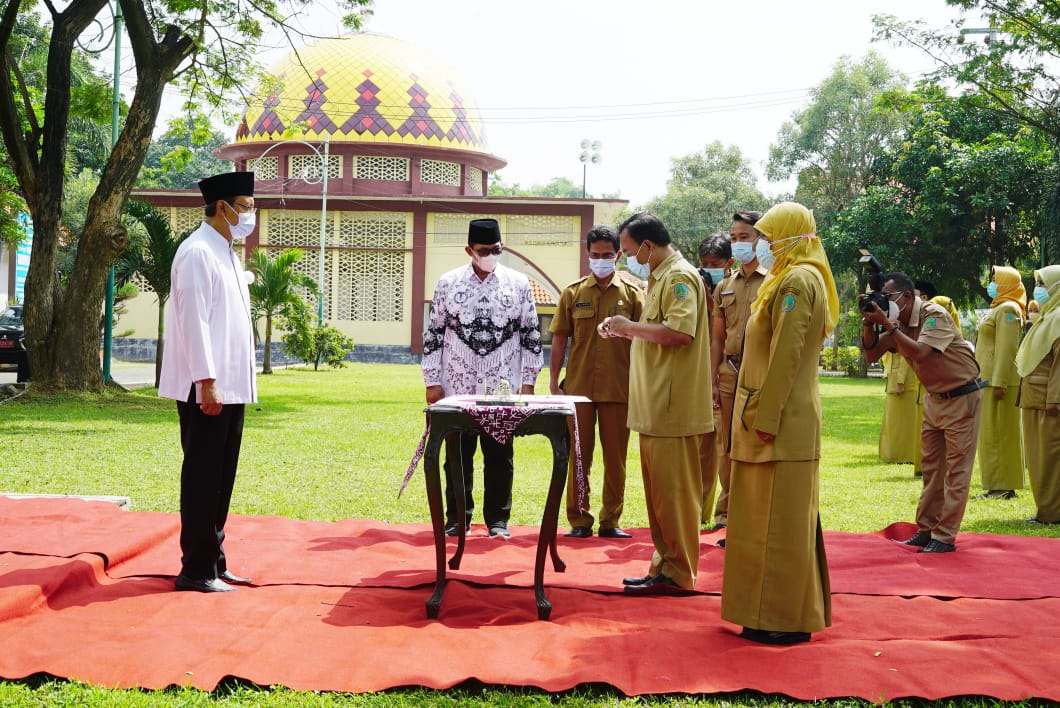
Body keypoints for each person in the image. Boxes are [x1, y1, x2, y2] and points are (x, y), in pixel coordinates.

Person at [720, 202, 838, 645]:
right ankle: (762, 612)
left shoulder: (799, 280)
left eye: (769, 237)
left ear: (791, 236)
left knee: (782, 524)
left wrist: (765, 418)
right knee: (758, 523)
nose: (763, 245)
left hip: (780, 421)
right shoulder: (781, 280)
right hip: (762, 415)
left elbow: (788, 355)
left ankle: (785, 619)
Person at [598, 212, 713, 594]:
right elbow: (657, 335)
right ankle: (664, 567)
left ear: (648, 245)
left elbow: (680, 332)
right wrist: (625, 330)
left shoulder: (679, 278)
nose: (629, 257)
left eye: (630, 251)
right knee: (659, 498)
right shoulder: (659, 277)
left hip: (671, 406)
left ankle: (679, 573)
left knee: (675, 498)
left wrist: (629, 327)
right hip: (653, 407)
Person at [158, 171, 258, 593]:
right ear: (223, 207)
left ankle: (214, 560)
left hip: (230, 386)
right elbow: (195, 324)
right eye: (247, 206)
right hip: (207, 387)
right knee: (202, 476)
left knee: (222, 476)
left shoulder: (227, 253)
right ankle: (195, 569)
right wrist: (206, 381)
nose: (251, 215)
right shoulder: (197, 252)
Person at [422, 218, 542, 538]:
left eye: (496, 249)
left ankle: (498, 521)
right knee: (457, 457)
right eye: (483, 250)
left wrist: (528, 382)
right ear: (469, 250)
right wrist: (432, 381)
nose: (490, 255)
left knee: (500, 454)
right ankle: (458, 519)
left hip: (501, 385)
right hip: (456, 385)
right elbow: (433, 334)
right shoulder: (448, 283)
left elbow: (531, 334)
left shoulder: (518, 284)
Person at [862, 272, 983, 553]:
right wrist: (869, 324)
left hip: (961, 396)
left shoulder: (934, 314)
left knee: (956, 472)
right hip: (934, 398)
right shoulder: (898, 322)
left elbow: (920, 353)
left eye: (887, 298)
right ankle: (926, 529)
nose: (884, 304)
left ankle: (944, 537)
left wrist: (888, 327)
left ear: (906, 297)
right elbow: (870, 355)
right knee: (931, 469)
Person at [549, 225, 644, 539]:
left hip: (619, 387)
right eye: (594, 255)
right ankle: (579, 519)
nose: (600, 260)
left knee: (615, 459)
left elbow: (645, 339)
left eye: (606, 255)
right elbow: (560, 338)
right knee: (579, 455)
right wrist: (553, 381)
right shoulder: (573, 293)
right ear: (587, 255)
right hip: (579, 389)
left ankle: (610, 520)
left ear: (617, 255)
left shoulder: (632, 294)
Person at [710, 211, 768, 532]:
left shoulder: (773, 282)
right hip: (730, 371)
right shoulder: (726, 285)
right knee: (726, 446)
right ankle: (725, 515)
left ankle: (752, 515)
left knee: (756, 444)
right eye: (733, 238)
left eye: (744, 237)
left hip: (759, 373)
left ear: (760, 240)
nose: (737, 243)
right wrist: (713, 380)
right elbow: (717, 336)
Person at [975, 265, 1026, 499]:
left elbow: (1007, 349)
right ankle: (995, 484)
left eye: (996, 279)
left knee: (1000, 433)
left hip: (999, 382)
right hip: (988, 380)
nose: (992, 283)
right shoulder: (999, 308)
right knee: (990, 432)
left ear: (1007, 284)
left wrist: (999, 382)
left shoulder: (1008, 308)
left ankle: (1003, 486)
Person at [1015, 266, 1060, 524]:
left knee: (1051, 459)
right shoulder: (1048, 315)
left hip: (1048, 402)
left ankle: (1052, 513)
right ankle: (1046, 508)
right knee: (1038, 459)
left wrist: (1055, 399)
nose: (1039, 289)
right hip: (1035, 398)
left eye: (1044, 283)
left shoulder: (1058, 317)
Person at [696, 234, 731, 526]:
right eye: (704, 264)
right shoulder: (691, 290)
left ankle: (724, 515)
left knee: (725, 453)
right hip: (697, 381)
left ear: (727, 264)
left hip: (725, 379)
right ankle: (697, 512)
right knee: (700, 453)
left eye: (714, 264)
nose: (708, 269)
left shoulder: (734, 289)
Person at [878, 351, 921, 466]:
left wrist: (900, 381)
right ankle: (894, 454)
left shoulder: (903, 333)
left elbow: (906, 357)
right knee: (893, 422)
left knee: (901, 424)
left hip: (903, 384)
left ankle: (902, 455)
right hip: (894, 380)